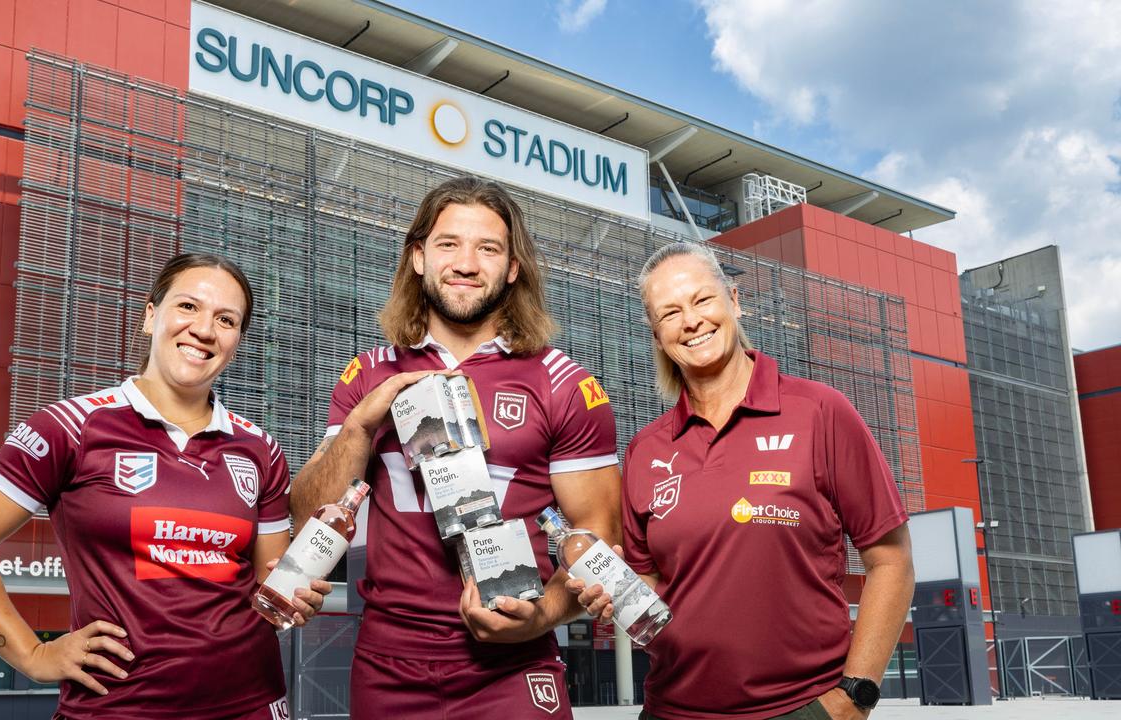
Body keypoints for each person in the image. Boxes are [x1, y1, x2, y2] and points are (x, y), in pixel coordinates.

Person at [0, 253, 327, 719]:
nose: (204, 329)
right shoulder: (70, 427)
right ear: (150, 316)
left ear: (236, 341)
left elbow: (268, 592)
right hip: (118, 708)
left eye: (226, 319)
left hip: (252, 704)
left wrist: (295, 599)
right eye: (188, 307)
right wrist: (31, 656)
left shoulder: (261, 448)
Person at [289, 176, 621, 720]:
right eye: (448, 244)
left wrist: (541, 618)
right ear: (418, 257)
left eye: (487, 248)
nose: (466, 263)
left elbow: (600, 539)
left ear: (513, 268)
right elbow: (308, 521)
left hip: (512, 664)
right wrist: (358, 428)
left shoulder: (563, 383)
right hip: (388, 663)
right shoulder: (368, 374)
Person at [569, 242, 914, 720]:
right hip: (671, 709)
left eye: (702, 300)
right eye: (670, 312)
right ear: (656, 333)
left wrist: (854, 696)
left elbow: (891, 561)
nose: (691, 321)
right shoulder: (646, 449)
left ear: (733, 300)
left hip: (798, 708)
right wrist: (611, 593)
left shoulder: (819, 412)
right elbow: (648, 581)